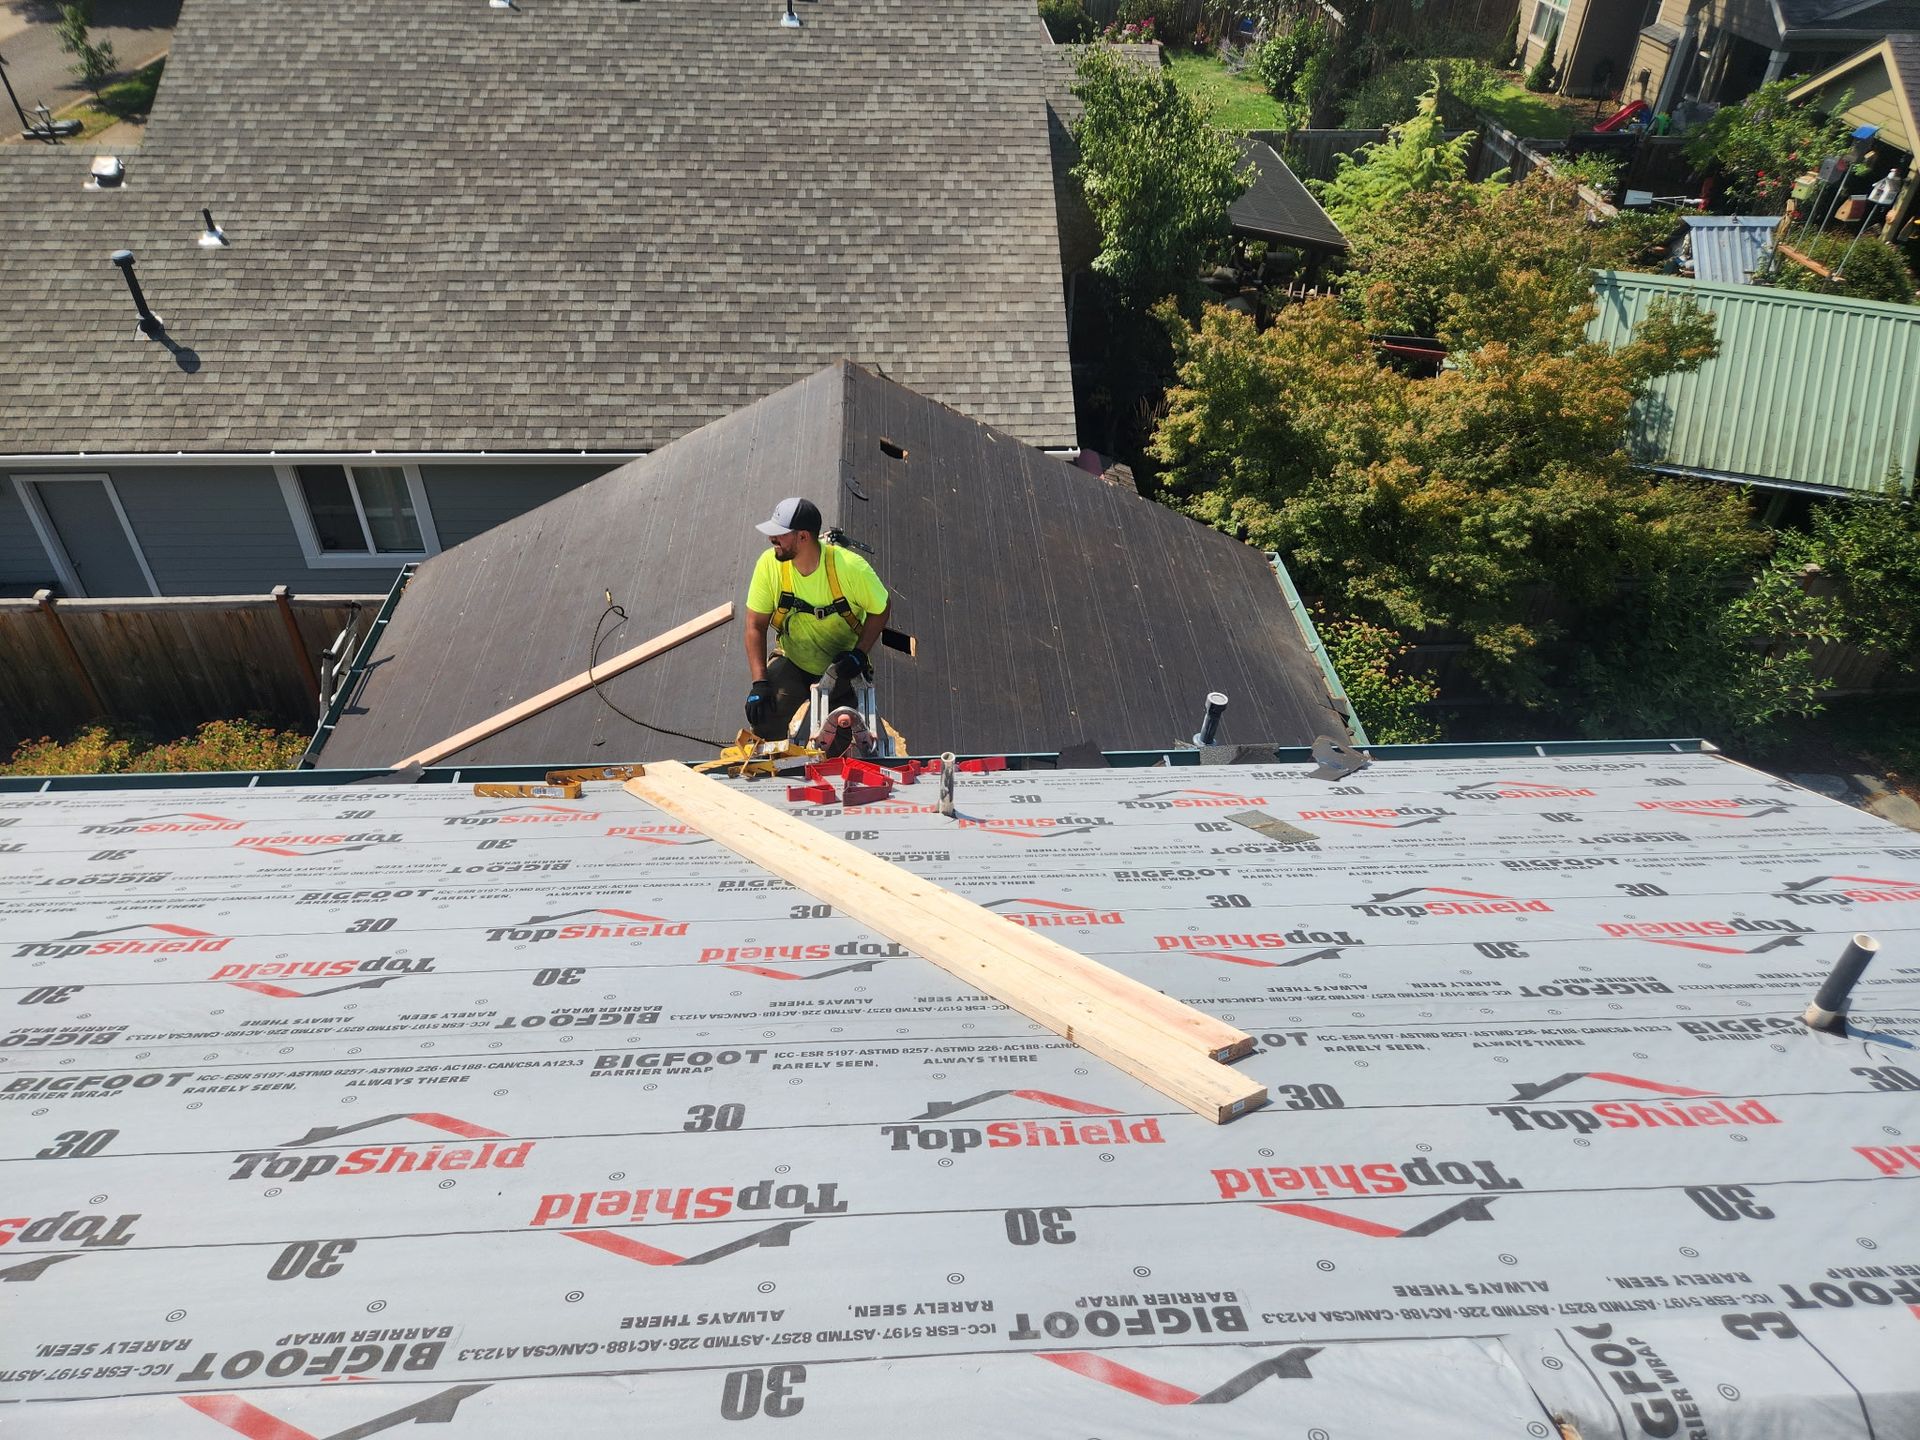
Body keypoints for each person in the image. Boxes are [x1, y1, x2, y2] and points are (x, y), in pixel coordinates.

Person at [743, 497, 890, 742]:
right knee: (765, 713)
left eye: (780, 535)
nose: (772, 540)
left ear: (803, 537)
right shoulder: (770, 565)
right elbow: (754, 626)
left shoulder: (851, 568)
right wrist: (759, 683)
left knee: (840, 734)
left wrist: (859, 653)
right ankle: (775, 767)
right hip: (794, 659)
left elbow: (881, 609)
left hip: (840, 667)